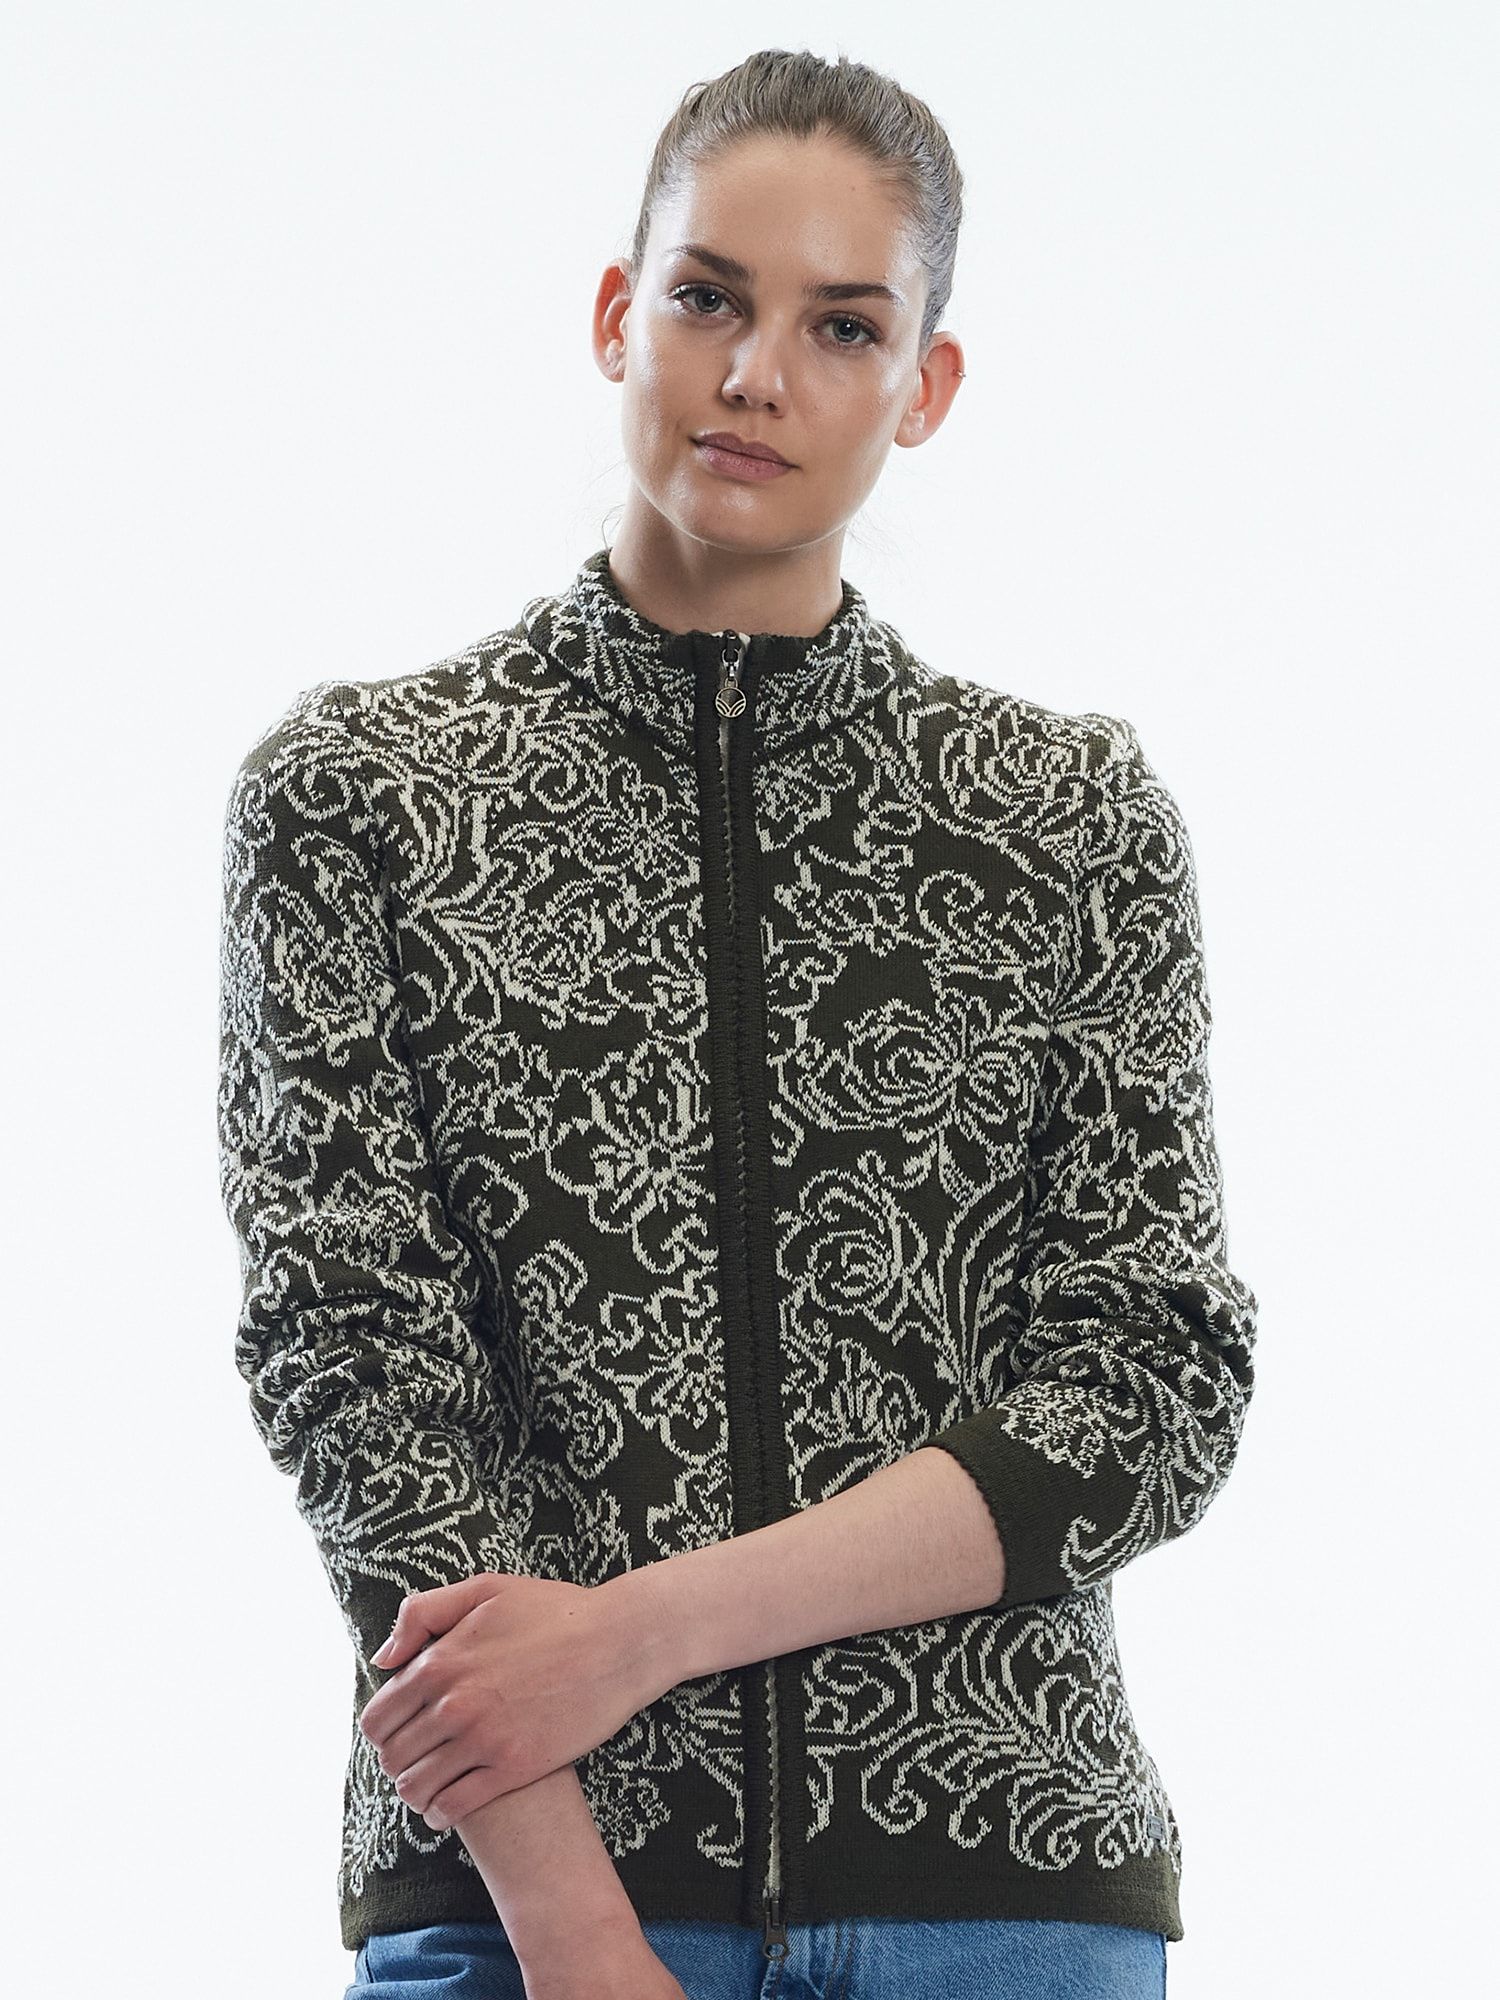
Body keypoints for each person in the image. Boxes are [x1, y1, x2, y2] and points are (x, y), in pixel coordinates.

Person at [218, 45, 1256, 2000]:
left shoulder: (1066, 820)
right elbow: (357, 1368)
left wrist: (642, 1629)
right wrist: (574, 1925)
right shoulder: (363, 796)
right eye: (708, 295)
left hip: (999, 1901)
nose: (758, 372)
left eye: (843, 324)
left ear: (925, 384)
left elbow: (1150, 1378)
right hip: (524, 1900)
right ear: (619, 312)